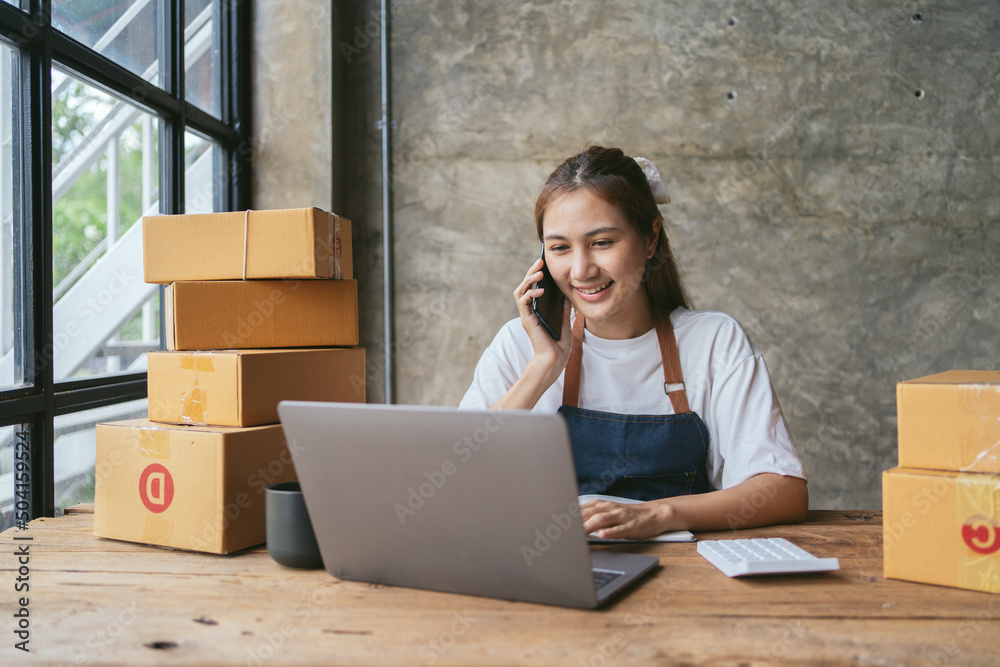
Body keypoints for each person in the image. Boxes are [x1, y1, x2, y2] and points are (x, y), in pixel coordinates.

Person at [459, 146, 808, 540]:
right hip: (550, 571)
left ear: (650, 238)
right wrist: (543, 367)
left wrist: (656, 516)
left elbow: (784, 490)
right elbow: (458, 482)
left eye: (602, 242)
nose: (581, 270)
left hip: (687, 578)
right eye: (559, 248)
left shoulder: (713, 342)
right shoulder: (518, 345)